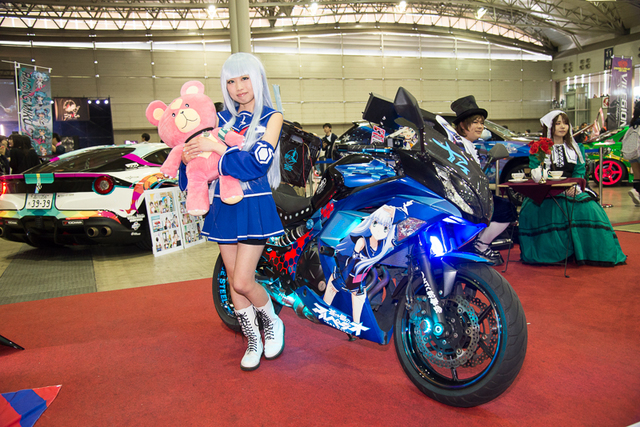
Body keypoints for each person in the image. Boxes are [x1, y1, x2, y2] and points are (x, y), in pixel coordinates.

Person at [181, 52, 285, 371]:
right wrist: (187, 159)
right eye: (231, 81)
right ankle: (253, 339)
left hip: (254, 205)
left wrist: (217, 148)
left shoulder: (272, 117)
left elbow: (257, 164)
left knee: (242, 281)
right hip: (222, 208)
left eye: (244, 78)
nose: (238, 87)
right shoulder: (218, 118)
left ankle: (273, 323)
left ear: (257, 79)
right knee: (231, 278)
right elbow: (199, 167)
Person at [518, 110, 626, 266]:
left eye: (565, 123)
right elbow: (536, 171)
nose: (563, 127)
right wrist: (540, 168)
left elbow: (580, 171)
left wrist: (575, 186)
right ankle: (554, 253)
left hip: (572, 188)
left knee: (590, 209)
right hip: (547, 190)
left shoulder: (577, 147)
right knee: (534, 209)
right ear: (550, 126)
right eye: (558, 123)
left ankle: (590, 252)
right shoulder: (539, 148)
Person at [451, 95, 517, 265]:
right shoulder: (458, 146)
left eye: (481, 122)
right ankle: (480, 245)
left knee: (506, 207)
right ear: (463, 124)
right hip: (465, 199)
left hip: (473, 197)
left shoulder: (466, 144)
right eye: (475, 122)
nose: (480, 126)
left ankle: (478, 243)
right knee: (507, 210)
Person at [625, 101, 640, 206]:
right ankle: (637, 192)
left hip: (632, 151)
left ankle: (636, 192)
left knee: (637, 174)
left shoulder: (633, 123)